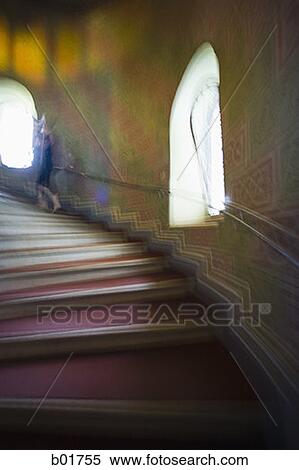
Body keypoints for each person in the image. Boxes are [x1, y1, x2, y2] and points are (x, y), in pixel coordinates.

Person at [35, 122, 61, 212]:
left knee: (42, 185)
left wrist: (47, 134)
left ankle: (55, 202)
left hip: (46, 165)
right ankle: (43, 202)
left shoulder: (48, 141)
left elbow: (44, 146)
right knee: (40, 184)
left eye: (45, 128)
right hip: (44, 164)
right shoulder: (44, 139)